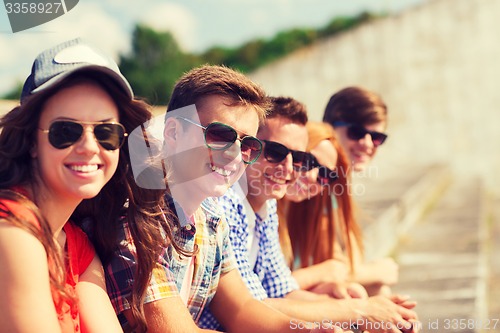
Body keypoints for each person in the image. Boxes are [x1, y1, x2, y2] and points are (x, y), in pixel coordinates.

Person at [103, 65, 348, 333]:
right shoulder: (136, 217)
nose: (234, 155)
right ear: (173, 133)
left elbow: (241, 310)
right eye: (220, 136)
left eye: (248, 145)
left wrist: (310, 329)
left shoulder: (211, 218)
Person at [201, 97, 420, 333]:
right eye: (275, 152)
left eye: (298, 159)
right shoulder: (226, 202)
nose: (289, 168)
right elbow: (252, 307)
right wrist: (359, 312)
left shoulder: (268, 206)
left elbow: (282, 290)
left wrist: (363, 308)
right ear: (249, 147)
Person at [0, 38, 145, 332]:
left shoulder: (75, 243)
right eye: (66, 130)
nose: (90, 147)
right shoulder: (12, 232)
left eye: (106, 132)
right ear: (31, 141)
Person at [279, 121, 398, 298]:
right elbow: (262, 290)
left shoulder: (311, 209)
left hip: (286, 302)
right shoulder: (262, 208)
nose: (312, 177)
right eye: (307, 161)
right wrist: (321, 273)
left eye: (325, 175)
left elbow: (343, 263)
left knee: (370, 292)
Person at [322, 87, 388, 172]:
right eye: (357, 132)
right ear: (329, 128)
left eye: (376, 137)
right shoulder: (304, 180)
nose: (367, 144)